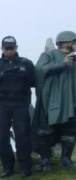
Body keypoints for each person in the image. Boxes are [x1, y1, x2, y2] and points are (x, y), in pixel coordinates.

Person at [0, 36, 36, 178]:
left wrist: (24, 75)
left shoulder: (26, 63)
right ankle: (7, 167)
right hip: (2, 104)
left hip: (20, 104)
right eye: (7, 48)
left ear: (16, 47)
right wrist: (0, 76)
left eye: (11, 48)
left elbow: (35, 81)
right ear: (2, 48)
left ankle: (25, 167)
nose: (9, 50)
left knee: (22, 135)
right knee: (2, 135)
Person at [32, 30, 76, 172]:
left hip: (71, 102)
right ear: (66, 42)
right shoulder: (49, 55)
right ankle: (45, 161)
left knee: (70, 130)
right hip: (52, 101)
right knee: (46, 131)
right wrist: (63, 64)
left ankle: (65, 159)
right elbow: (40, 69)